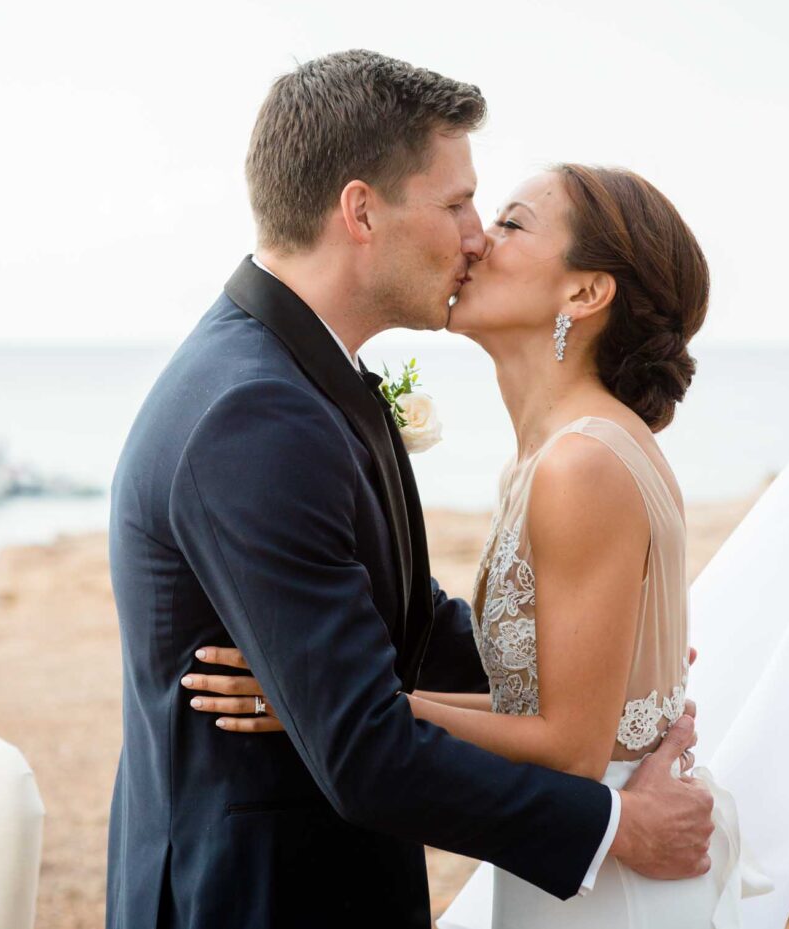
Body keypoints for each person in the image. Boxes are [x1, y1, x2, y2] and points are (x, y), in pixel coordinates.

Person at [106, 50, 714, 929]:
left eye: (491, 213)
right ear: (362, 211)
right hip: (255, 896)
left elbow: (407, 627)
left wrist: (596, 655)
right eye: (458, 204)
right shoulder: (255, 411)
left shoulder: (313, 380)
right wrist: (615, 823)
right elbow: (363, 749)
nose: (474, 237)